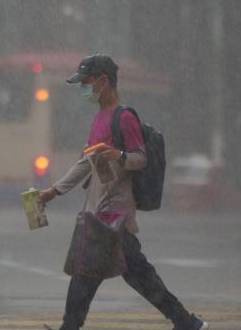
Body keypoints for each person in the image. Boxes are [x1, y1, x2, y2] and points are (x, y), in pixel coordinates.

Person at [39, 54, 208, 330]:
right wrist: (53, 191)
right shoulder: (99, 119)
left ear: (104, 81)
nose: (83, 88)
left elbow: (139, 158)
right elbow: (85, 162)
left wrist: (116, 155)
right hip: (99, 212)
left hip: (115, 213)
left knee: (104, 273)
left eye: (87, 82)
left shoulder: (124, 117)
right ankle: (186, 322)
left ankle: (187, 322)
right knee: (110, 273)